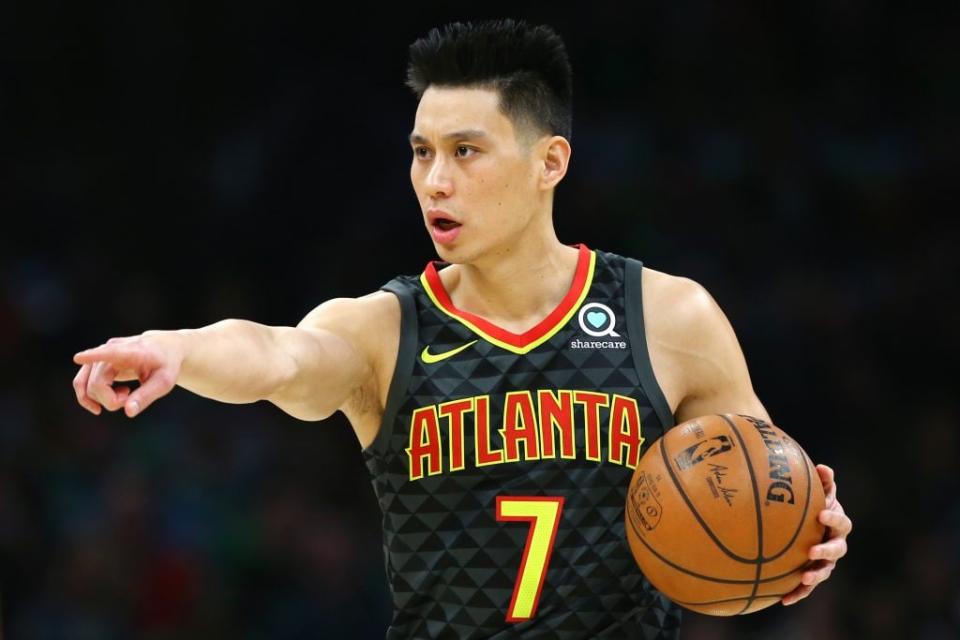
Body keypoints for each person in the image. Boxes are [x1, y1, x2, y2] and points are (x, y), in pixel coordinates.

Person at [72, 18, 852, 639]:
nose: (434, 180)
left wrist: (807, 541)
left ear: (550, 162)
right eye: (421, 153)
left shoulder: (668, 317)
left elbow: (760, 498)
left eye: (466, 151)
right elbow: (276, 353)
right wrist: (178, 347)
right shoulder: (387, 331)